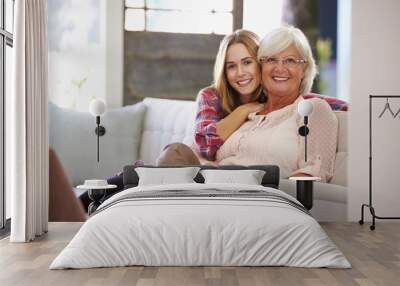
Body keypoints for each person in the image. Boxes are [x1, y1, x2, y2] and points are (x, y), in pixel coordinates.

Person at [215, 26, 338, 182]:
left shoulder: (312, 109)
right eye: (272, 59)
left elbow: (313, 173)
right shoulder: (249, 114)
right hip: (213, 187)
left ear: (304, 69)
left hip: (260, 198)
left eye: (290, 61)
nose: (280, 68)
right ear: (261, 66)